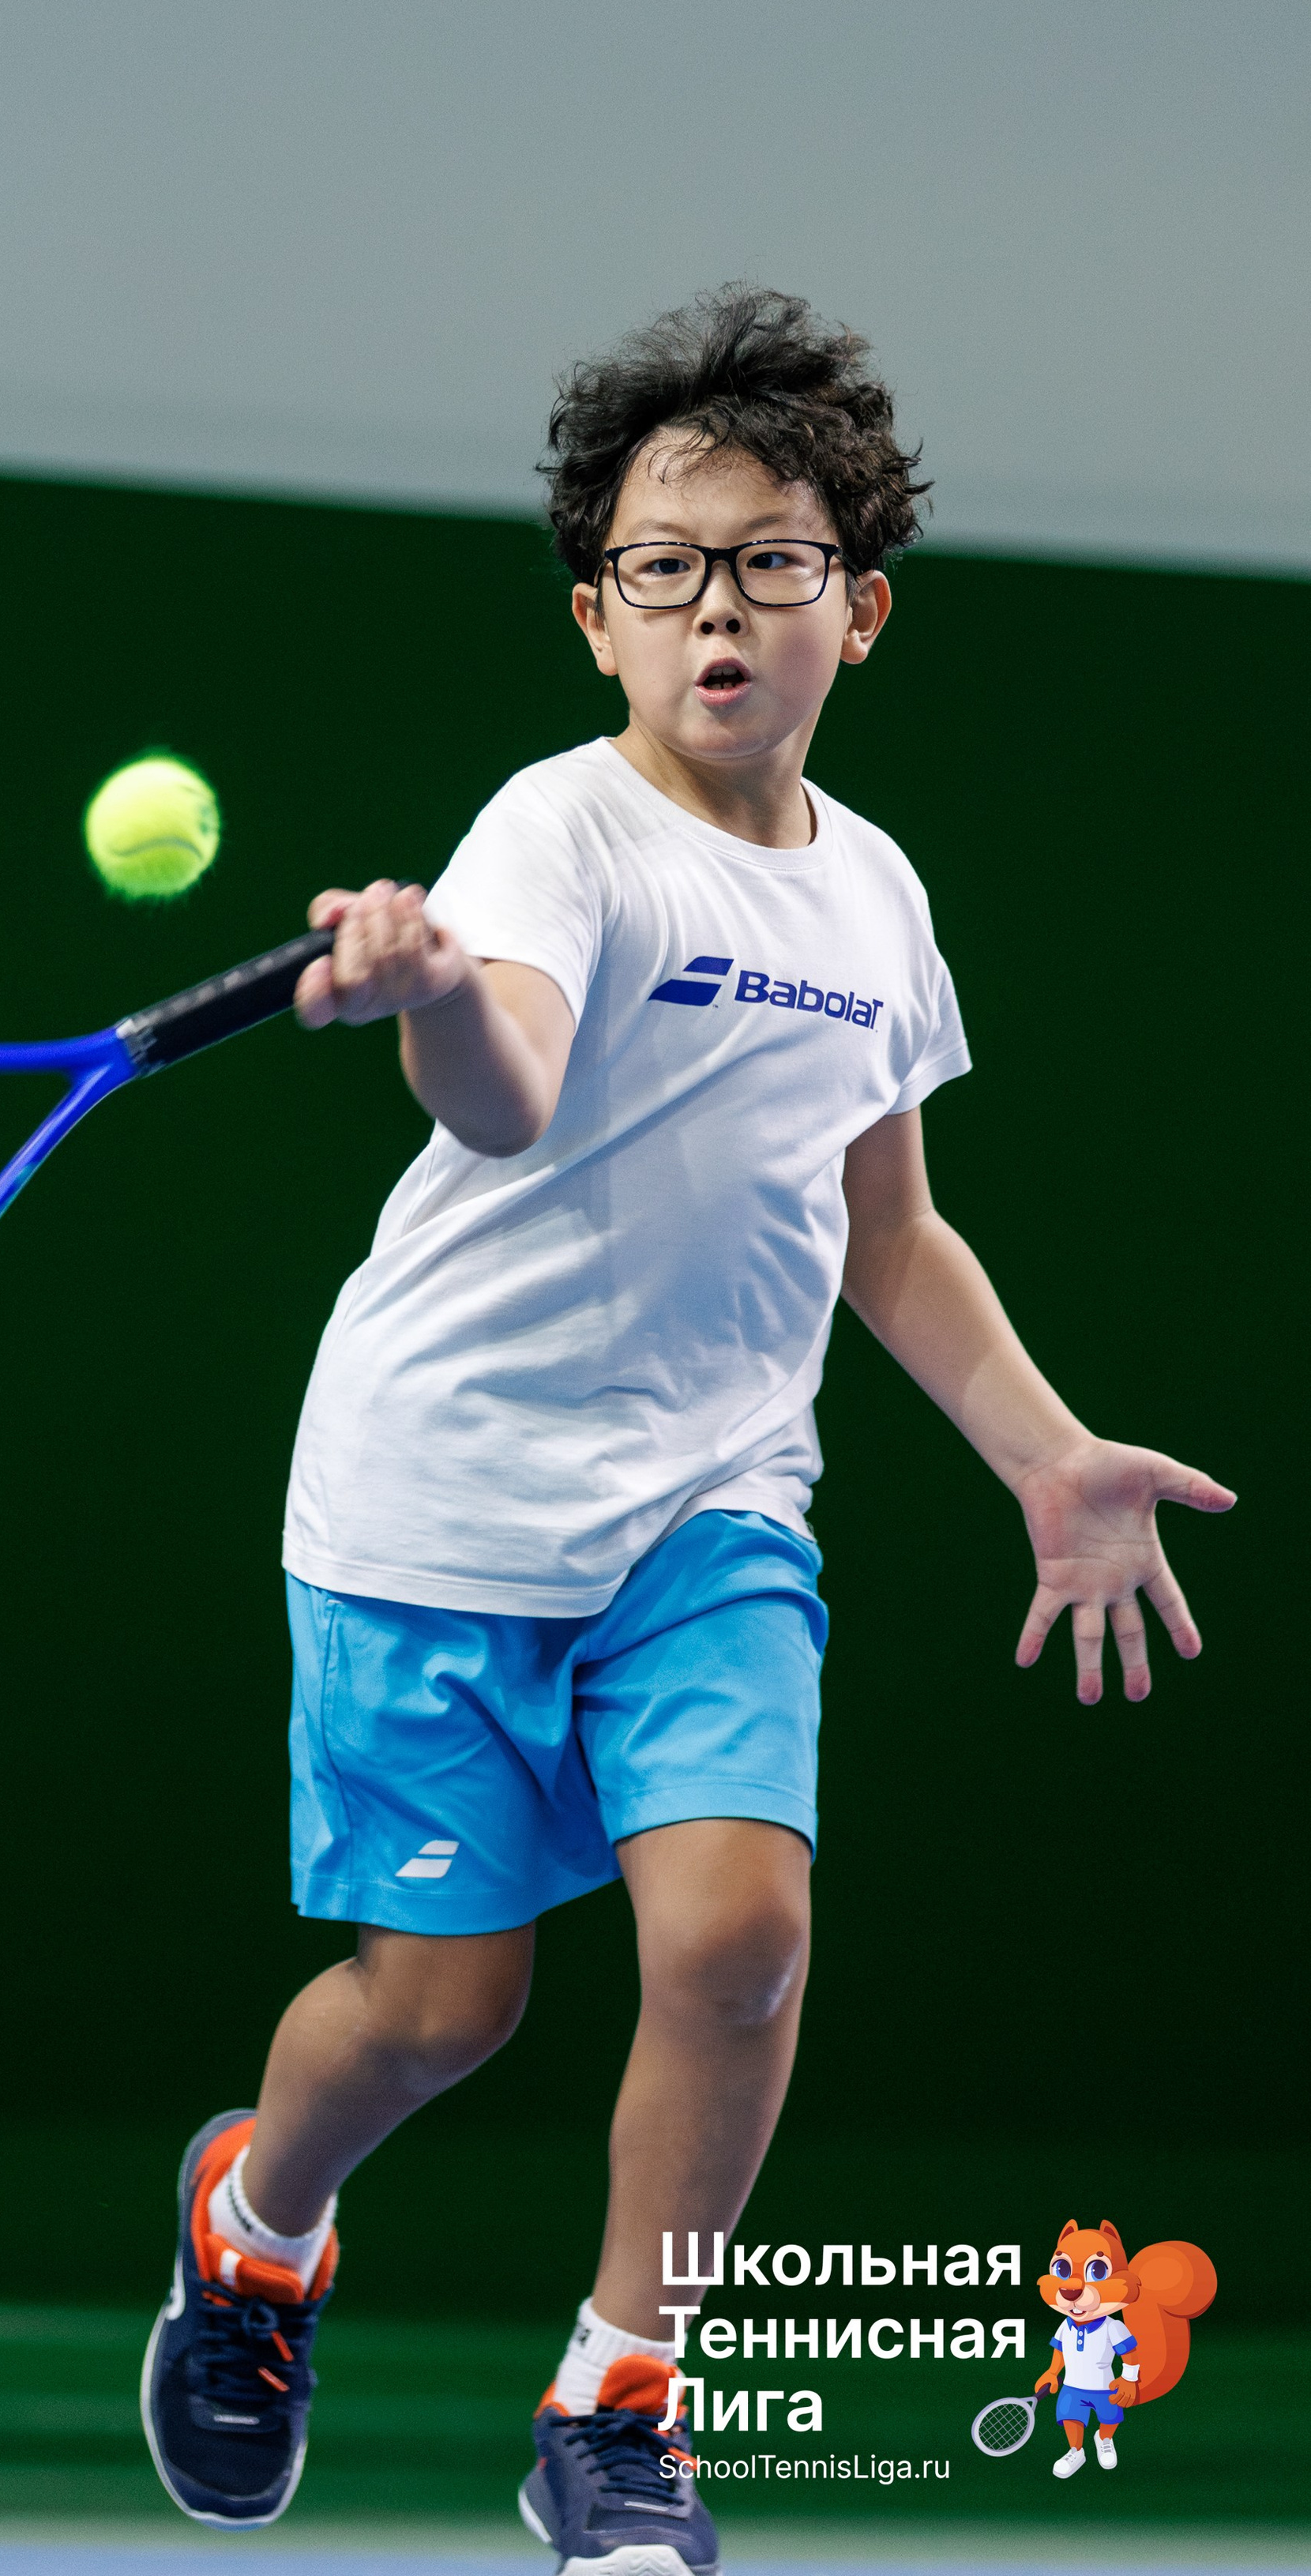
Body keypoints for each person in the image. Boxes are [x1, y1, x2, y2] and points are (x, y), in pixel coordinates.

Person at [137, 288, 1232, 2574]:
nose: (717, 606)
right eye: (666, 567)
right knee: (439, 2012)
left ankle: (623, 2400)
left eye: (768, 561)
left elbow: (889, 1230)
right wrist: (434, 998)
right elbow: (512, 1089)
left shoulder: (877, 895)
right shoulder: (561, 835)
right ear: (598, 617)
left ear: (863, 606)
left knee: (738, 1934)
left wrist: (1042, 1451)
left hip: (710, 1504)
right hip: (435, 1507)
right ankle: (255, 2219)